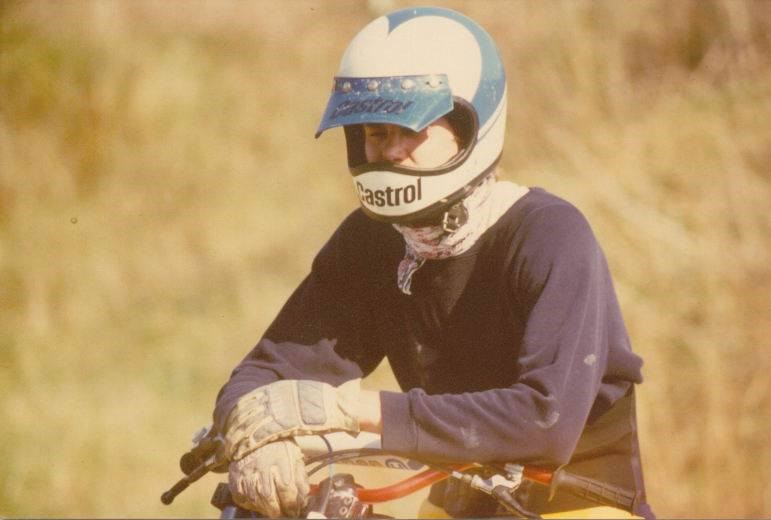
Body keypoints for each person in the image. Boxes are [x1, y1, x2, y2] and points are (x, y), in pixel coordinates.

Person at [213, 6, 654, 519]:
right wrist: (254, 437)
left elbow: (544, 422)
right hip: (460, 500)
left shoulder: (550, 234)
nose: (392, 150)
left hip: (577, 501)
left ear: (469, 127)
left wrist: (349, 409)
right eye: (376, 132)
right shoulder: (371, 242)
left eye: (412, 127)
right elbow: (268, 370)